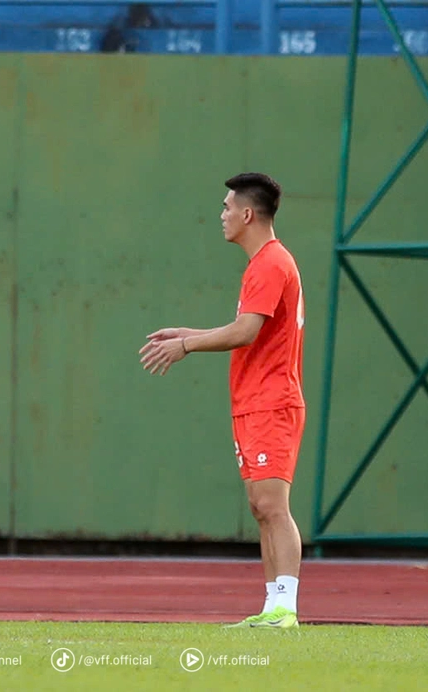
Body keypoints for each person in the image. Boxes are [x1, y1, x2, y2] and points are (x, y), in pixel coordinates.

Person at [139, 173, 305, 629]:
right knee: (259, 506)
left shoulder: (271, 263)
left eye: (227, 207)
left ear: (248, 214)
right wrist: (187, 332)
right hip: (254, 400)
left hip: (273, 400)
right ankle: (273, 606)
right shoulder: (262, 265)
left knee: (273, 505)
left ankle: (286, 608)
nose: (223, 215)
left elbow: (245, 332)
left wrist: (186, 347)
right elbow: (250, 333)